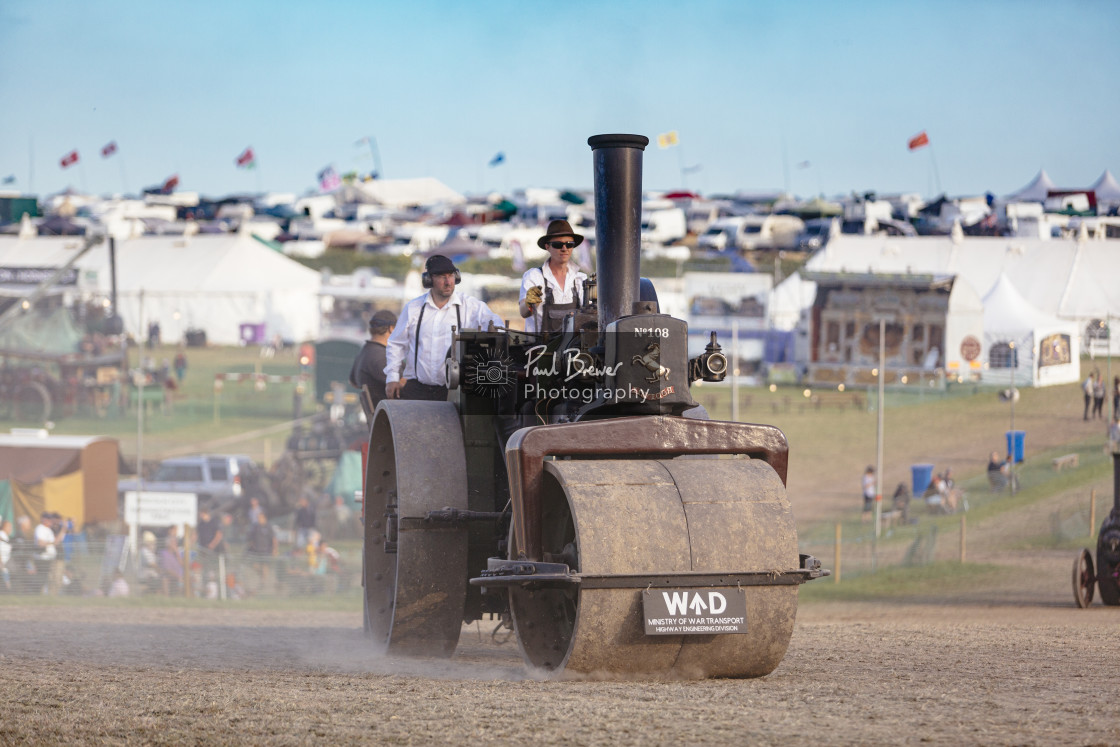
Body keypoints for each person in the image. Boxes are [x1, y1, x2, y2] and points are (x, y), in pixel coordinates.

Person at [384, 254, 503, 402]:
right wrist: (392, 377)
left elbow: (497, 326)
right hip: (417, 389)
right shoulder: (413, 308)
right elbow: (396, 344)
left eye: (451, 276)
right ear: (428, 280)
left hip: (454, 391)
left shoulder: (471, 306)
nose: (448, 282)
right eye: (441, 277)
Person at [519, 219, 589, 335]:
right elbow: (523, 312)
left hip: (574, 349)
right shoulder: (534, 277)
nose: (564, 248)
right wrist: (529, 303)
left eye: (569, 244)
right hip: (540, 349)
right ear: (547, 246)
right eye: (558, 244)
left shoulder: (580, 279)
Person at [349, 309, 397, 420]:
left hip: (381, 417)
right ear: (391, 328)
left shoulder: (364, 352)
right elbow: (402, 383)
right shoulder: (381, 357)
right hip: (392, 418)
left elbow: (353, 382)